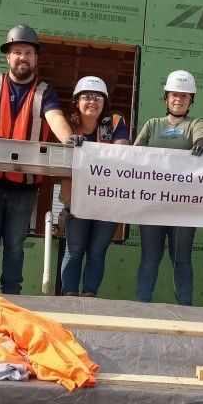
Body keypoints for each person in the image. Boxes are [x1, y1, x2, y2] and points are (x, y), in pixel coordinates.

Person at [0, 24, 74, 296]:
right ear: (8, 57)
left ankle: (11, 295)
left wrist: (69, 139)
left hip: (24, 184)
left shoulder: (45, 91)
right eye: (17, 52)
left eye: (28, 52)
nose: (23, 57)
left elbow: (55, 118)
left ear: (36, 59)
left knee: (14, 241)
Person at [133, 70, 203, 306]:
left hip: (184, 208)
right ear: (166, 98)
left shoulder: (196, 124)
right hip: (152, 205)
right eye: (174, 95)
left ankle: (185, 308)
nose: (178, 99)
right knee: (150, 257)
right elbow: (131, 158)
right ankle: (142, 305)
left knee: (181, 259)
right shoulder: (152, 125)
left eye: (184, 96)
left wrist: (202, 142)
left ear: (191, 100)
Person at [58, 76, 129, 297]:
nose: (92, 102)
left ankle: (89, 298)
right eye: (87, 97)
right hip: (76, 201)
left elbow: (122, 148)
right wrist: (71, 141)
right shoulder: (67, 126)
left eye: (98, 97)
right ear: (77, 101)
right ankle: (69, 297)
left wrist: (95, 149)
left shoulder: (115, 121)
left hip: (107, 200)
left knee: (97, 252)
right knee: (74, 250)